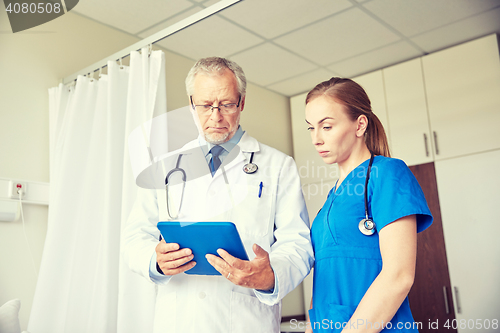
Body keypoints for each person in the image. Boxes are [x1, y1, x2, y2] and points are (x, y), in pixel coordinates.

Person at [122, 57, 314, 333]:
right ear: (191, 104)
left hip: (246, 320)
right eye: (205, 105)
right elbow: (135, 236)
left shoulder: (278, 165)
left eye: (226, 104)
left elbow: (297, 242)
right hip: (179, 319)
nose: (216, 116)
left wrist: (269, 275)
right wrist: (156, 260)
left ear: (242, 103)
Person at [303, 77, 433, 333]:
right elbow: (325, 280)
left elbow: (399, 276)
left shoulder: (388, 174)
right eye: (311, 128)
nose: (316, 139)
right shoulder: (332, 198)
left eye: (326, 127)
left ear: (360, 124)